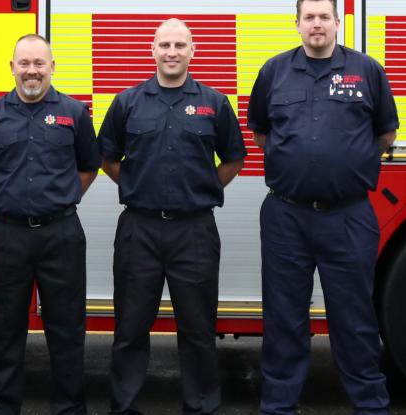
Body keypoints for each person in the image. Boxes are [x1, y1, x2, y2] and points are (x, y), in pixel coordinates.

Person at [247, 1, 398, 413]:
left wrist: (343, 165)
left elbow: (385, 132)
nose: (316, 24)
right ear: (296, 24)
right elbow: (261, 132)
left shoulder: (367, 70)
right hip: (286, 216)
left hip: (348, 215)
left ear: (337, 22)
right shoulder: (274, 71)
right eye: (308, 17)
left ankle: (370, 403)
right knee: (283, 317)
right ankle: (279, 405)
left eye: (323, 17)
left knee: (354, 317)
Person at [98, 18, 246, 415]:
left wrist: (202, 189)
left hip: (194, 229)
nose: (172, 52)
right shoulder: (128, 101)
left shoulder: (214, 102)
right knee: (130, 327)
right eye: (165, 44)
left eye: (180, 45)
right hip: (138, 229)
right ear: (153, 50)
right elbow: (107, 156)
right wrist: (134, 186)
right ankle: (124, 404)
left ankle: (200, 405)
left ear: (193, 51)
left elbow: (234, 158)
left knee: (198, 329)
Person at [0, 34, 101, 414]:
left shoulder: (74, 113)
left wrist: (60, 198)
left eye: (39, 63)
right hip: (8, 234)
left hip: (61, 234)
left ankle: (69, 408)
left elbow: (89, 167)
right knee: (5, 329)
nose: (32, 71)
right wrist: (12, 198)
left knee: (67, 329)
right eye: (24, 63)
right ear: (11, 67)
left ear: (52, 67)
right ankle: (0, 406)